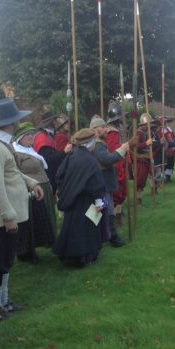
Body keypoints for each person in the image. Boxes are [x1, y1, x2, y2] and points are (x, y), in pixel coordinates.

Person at [0, 99, 44, 320]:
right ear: (11, 123)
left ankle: (4, 302)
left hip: (12, 213)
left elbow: (12, 172)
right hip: (3, 217)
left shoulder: (2, 144)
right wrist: (7, 215)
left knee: (6, 261)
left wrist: (31, 183)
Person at [54, 128, 106, 267]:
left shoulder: (71, 156)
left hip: (71, 199)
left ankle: (67, 254)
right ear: (90, 143)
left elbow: (59, 175)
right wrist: (98, 200)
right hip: (85, 200)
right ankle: (82, 257)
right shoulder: (91, 160)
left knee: (70, 227)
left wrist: (65, 190)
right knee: (84, 229)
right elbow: (95, 183)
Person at [13, 122, 55, 264]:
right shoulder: (16, 153)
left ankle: (48, 242)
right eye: (28, 135)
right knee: (32, 221)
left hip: (43, 187)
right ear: (20, 138)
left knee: (47, 217)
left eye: (32, 134)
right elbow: (15, 174)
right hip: (30, 190)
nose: (31, 137)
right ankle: (28, 251)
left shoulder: (31, 150)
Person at [90, 115, 130, 247]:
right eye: (102, 127)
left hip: (103, 182)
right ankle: (112, 237)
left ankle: (98, 236)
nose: (106, 130)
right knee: (107, 211)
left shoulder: (100, 143)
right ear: (95, 129)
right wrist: (122, 150)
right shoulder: (97, 144)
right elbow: (105, 159)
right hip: (102, 183)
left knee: (102, 210)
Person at [106, 102, 128, 225]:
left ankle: (118, 215)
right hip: (116, 166)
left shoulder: (115, 131)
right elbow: (115, 150)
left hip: (119, 164)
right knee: (116, 193)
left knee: (121, 192)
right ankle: (114, 219)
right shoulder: (112, 132)